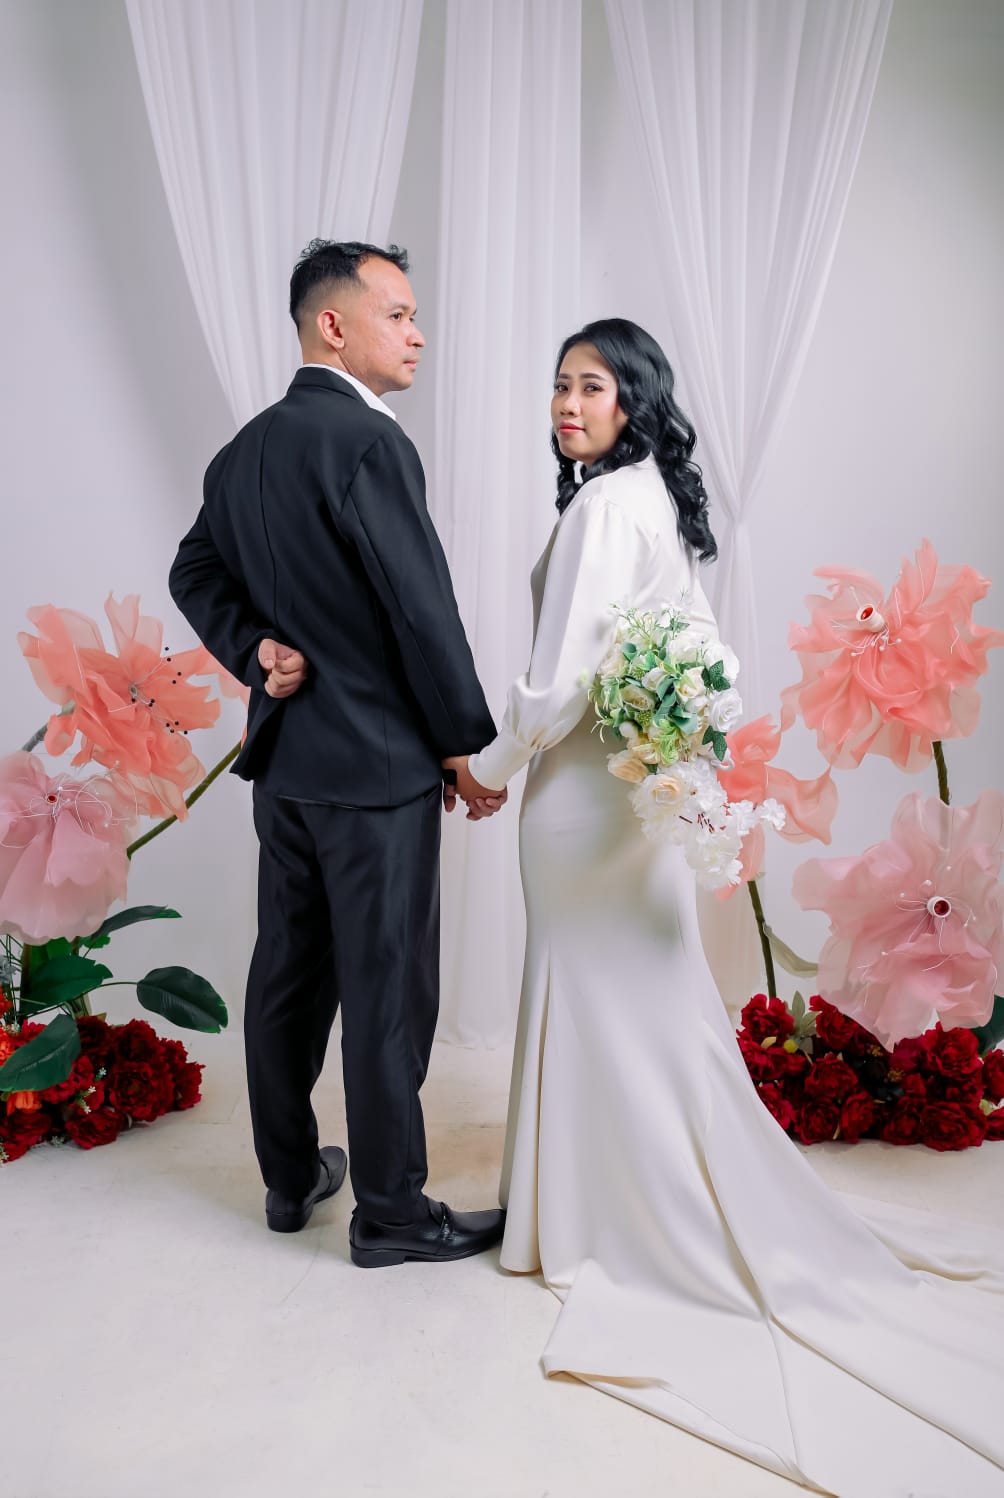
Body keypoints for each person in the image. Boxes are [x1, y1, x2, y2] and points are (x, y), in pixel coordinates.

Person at [452, 318, 1004, 1495]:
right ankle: (601, 1207)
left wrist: (488, 766)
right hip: (632, 797)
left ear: (633, 399)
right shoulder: (648, 499)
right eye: (557, 386)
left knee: (606, 1000)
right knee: (636, 1004)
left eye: (590, 386)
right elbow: (695, 660)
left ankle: (599, 1219)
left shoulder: (603, 508)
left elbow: (559, 678)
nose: (565, 404)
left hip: (582, 800)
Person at [169, 239, 506, 1267]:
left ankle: (289, 1180)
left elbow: (193, 570)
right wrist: (463, 744)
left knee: (288, 975)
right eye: (397, 314)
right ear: (333, 325)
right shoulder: (368, 442)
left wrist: (254, 649)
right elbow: (421, 610)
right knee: (386, 989)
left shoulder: (243, 451)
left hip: (286, 769)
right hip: (377, 770)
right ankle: (392, 1212)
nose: (416, 334)